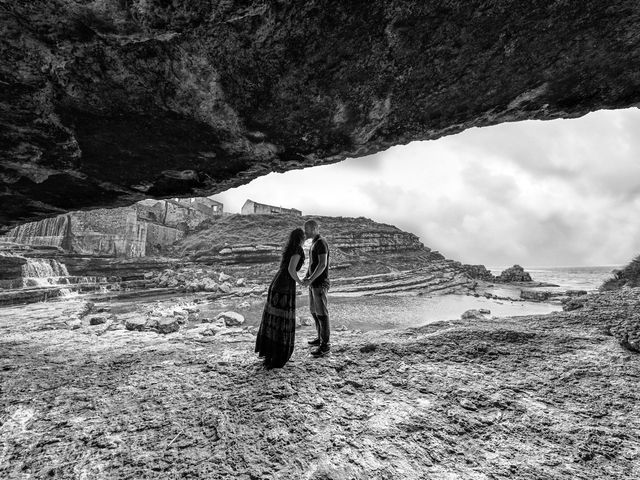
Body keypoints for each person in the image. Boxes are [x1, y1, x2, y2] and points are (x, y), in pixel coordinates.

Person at [255, 228, 306, 369]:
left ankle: (269, 353)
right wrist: (301, 281)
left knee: (273, 319)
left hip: (276, 282)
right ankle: (278, 355)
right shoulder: (298, 250)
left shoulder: (289, 248)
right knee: (282, 319)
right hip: (285, 285)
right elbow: (291, 270)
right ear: (301, 238)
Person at [302, 219, 331, 357]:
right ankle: (319, 339)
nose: (304, 232)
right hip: (313, 283)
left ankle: (325, 346)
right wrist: (307, 278)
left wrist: (311, 279)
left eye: (306, 229)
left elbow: (322, 264)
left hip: (320, 283)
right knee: (314, 312)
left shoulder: (321, 242)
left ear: (313, 229)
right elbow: (312, 264)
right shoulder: (314, 243)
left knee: (322, 314)